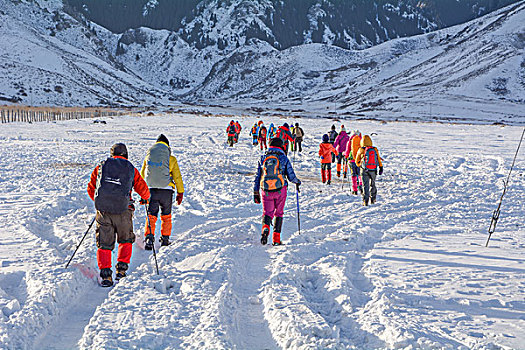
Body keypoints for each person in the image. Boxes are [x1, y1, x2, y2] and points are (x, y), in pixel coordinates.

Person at [87, 143, 150, 287]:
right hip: (124, 211)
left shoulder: (101, 167)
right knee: (125, 239)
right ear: (126, 154)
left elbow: (91, 189)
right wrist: (145, 198)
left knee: (104, 243)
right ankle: (121, 271)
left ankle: (106, 275)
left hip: (104, 212)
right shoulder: (130, 169)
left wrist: (102, 203)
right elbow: (143, 189)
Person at [254, 138, 301, 246]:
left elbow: (258, 176)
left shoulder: (263, 158)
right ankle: (276, 239)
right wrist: (297, 182)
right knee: (279, 213)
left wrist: (256, 192)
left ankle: (265, 230)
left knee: (267, 213)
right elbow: (291, 176)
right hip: (281, 189)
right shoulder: (283, 157)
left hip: (266, 190)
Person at [141, 134, 184, 249]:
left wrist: (142, 192)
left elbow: (143, 174)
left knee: (151, 215)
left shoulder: (148, 158)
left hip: (152, 190)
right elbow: (177, 177)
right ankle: (165, 239)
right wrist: (180, 192)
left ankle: (149, 238)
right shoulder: (171, 159)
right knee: (166, 215)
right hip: (166, 192)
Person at [355, 135, 383, 206]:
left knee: (365, 185)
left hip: (364, 170)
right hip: (373, 170)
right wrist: (380, 167)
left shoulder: (361, 150)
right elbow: (378, 159)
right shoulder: (375, 149)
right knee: (373, 184)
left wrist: (360, 165)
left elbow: (356, 161)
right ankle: (373, 199)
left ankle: (365, 201)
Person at [344, 130, 363, 195]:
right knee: (360, 174)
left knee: (353, 175)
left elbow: (347, 150)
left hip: (351, 160)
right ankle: (361, 187)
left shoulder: (350, 140)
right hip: (359, 160)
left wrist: (346, 156)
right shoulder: (361, 140)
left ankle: (355, 190)